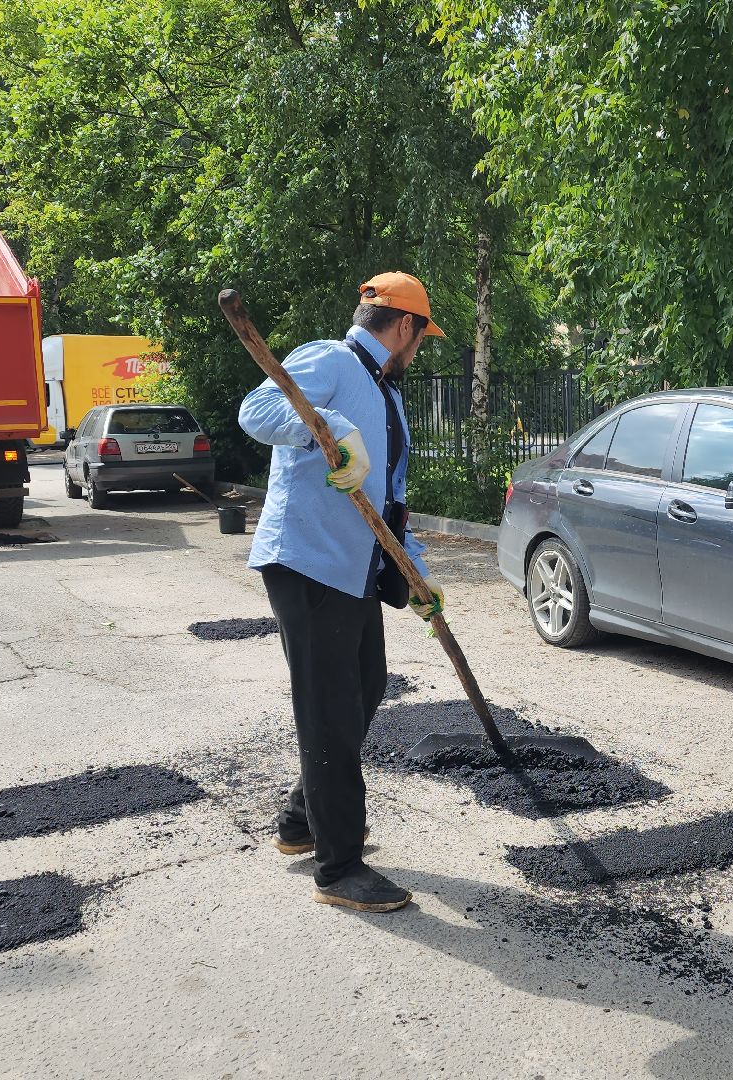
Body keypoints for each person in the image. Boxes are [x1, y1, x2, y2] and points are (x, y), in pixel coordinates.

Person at [238, 272, 447, 913]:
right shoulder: (331, 359)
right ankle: (340, 866)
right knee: (329, 710)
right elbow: (257, 412)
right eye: (422, 337)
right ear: (405, 326)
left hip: (353, 568)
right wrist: (326, 428)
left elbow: (390, 498)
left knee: (366, 686)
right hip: (307, 562)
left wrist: (416, 570)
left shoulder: (388, 394)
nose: (420, 351)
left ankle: (304, 817)